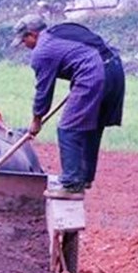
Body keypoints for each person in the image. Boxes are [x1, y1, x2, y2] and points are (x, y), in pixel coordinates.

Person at [11, 14, 125, 200]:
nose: (25, 45)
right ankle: (84, 177)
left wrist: (36, 120)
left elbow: (43, 92)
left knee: (68, 128)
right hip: (114, 69)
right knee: (92, 126)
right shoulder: (59, 33)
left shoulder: (42, 51)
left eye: (24, 40)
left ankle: (71, 184)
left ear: (32, 34)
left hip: (94, 74)